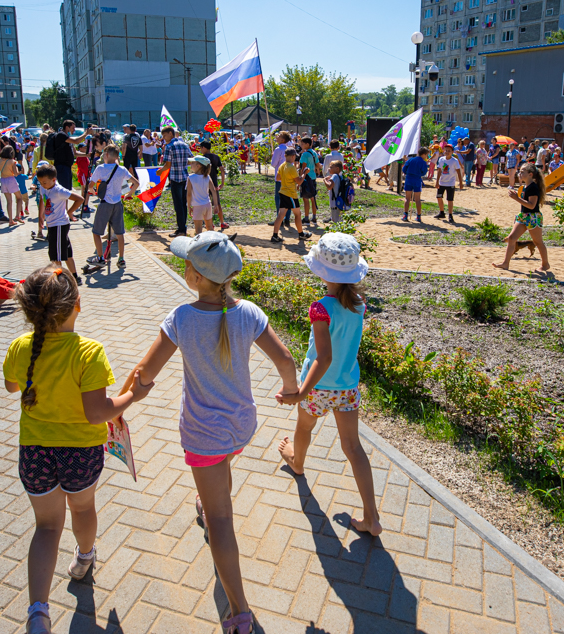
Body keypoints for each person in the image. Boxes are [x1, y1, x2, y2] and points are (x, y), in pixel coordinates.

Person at [133, 233, 299, 634]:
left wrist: (120, 404)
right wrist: (291, 391)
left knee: (221, 522)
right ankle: (208, 503)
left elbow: (145, 374)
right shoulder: (249, 313)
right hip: (241, 426)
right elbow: (286, 359)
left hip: (203, 432)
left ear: (193, 276)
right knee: (221, 470)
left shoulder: (182, 319)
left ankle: (239, 611)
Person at [3, 264, 153, 634]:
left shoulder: (20, 347)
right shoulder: (89, 352)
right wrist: (132, 395)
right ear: (78, 305)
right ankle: (85, 558)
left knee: (46, 526)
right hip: (80, 452)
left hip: (35, 451)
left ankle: (38, 612)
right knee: (82, 507)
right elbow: (96, 413)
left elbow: (11, 387)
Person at [276, 233, 380, 536]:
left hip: (319, 389)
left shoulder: (320, 307)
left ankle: (297, 463)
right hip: (347, 386)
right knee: (353, 447)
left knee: (304, 428)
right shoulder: (359, 304)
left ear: (321, 270)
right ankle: (371, 518)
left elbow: (323, 357)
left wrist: (299, 394)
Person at [86, 145, 138, 270]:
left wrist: (93, 191)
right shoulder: (121, 169)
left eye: (104, 154)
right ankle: (121, 259)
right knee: (120, 233)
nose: (103, 156)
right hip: (117, 203)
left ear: (108, 155)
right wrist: (128, 194)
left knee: (96, 232)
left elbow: (90, 185)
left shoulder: (100, 168)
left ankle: (100, 257)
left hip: (105, 204)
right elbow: (136, 183)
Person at [495, 162, 550, 272]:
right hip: (523, 216)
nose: (519, 173)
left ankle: (545, 264)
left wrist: (516, 198)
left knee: (538, 242)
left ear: (530, 174)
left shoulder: (533, 187)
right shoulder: (526, 186)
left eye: (522, 172)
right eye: (519, 171)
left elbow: (532, 205)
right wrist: (517, 197)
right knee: (511, 238)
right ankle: (505, 263)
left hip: (533, 217)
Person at [34, 164, 85, 285]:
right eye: (40, 182)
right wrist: (40, 216)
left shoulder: (59, 190)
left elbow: (80, 199)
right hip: (52, 224)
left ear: (54, 180)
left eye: (44, 182)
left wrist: (69, 212)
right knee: (66, 253)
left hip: (59, 225)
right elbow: (42, 198)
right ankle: (75, 277)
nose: (42, 185)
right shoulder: (44, 187)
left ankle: (59, 281)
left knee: (55, 257)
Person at [271, 148, 310, 244]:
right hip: (290, 194)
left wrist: (288, 177)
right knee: (297, 214)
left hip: (283, 192)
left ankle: (275, 236)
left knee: (280, 215)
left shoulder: (282, 165)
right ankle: (301, 234)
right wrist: (304, 172)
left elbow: (278, 177)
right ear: (293, 156)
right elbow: (300, 181)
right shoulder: (291, 167)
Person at [161, 126, 193, 237]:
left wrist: (160, 171)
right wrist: (182, 163)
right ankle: (183, 228)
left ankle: (181, 229)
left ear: (170, 133)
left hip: (175, 178)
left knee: (178, 205)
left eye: (165, 135)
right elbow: (191, 160)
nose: (164, 138)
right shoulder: (184, 145)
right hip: (185, 178)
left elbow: (167, 165)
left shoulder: (169, 147)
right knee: (184, 204)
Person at [187, 155, 222, 236]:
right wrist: (216, 204)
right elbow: (213, 191)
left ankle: (200, 247)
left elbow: (189, 194)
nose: (190, 164)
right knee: (210, 227)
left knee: (198, 231)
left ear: (198, 166)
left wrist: (188, 206)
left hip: (197, 206)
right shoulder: (207, 176)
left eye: (192, 163)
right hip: (207, 204)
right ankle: (213, 243)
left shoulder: (191, 178)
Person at [198, 140, 229, 230]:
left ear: (204, 148)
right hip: (214, 183)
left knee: (205, 204)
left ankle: (209, 223)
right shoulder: (216, 157)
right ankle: (222, 222)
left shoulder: (202, 158)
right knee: (217, 203)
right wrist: (222, 183)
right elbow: (222, 170)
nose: (200, 150)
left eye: (201, 148)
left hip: (205, 183)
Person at [51, 119, 88, 192]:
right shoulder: (61, 135)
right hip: (61, 167)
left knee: (67, 190)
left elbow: (75, 153)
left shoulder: (67, 137)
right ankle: (62, 203)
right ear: (67, 127)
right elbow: (76, 141)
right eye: (73, 128)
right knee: (63, 190)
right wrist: (86, 133)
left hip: (67, 167)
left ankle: (65, 203)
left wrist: (87, 155)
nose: (74, 130)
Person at [0, 145, 25, 225]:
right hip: (11, 180)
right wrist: (21, 171)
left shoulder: (0, 160)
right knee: (19, 197)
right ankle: (17, 216)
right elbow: (16, 174)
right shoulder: (12, 161)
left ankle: (10, 220)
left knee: (9, 201)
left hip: (3, 180)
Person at [435, 143, 462, 222]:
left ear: (452, 152)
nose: (447, 152)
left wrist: (461, 182)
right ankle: (442, 212)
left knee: (450, 199)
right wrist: (437, 182)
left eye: (449, 151)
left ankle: (450, 215)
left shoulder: (454, 161)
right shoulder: (441, 159)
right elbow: (439, 171)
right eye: (446, 150)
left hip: (450, 183)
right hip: (442, 182)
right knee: (439, 197)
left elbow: (458, 171)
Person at [401, 147, 429, 223]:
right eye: (426, 155)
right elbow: (424, 172)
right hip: (417, 180)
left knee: (407, 198)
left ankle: (405, 215)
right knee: (417, 199)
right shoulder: (423, 162)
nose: (426, 157)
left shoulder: (410, 160)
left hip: (409, 179)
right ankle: (419, 216)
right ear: (423, 154)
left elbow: (404, 169)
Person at [322, 157, 348, 223]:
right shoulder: (340, 176)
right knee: (340, 220)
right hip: (340, 201)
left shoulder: (334, 176)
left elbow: (329, 187)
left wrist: (325, 180)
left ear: (337, 169)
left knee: (335, 221)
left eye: (331, 167)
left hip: (334, 203)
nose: (329, 169)